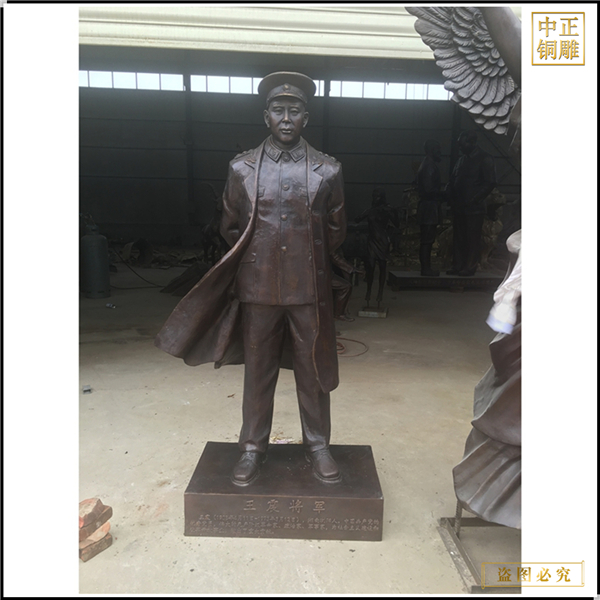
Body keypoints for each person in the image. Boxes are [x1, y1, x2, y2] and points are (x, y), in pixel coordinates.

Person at [154, 72, 346, 486]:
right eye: (278, 110)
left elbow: (336, 231)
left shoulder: (328, 170)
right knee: (258, 373)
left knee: (313, 372)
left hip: (308, 291)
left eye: (295, 111)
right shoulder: (241, 169)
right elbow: (230, 227)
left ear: (307, 118)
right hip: (258, 288)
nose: (286, 119)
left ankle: (318, 445)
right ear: (266, 116)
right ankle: (252, 448)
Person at [446, 131, 497, 276]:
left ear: (472, 142)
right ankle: (457, 265)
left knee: (472, 238)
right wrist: (449, 192)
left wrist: (475, 199)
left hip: (474, 208)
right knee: (458, 237)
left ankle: (469, 267)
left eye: (462, 144)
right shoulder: (461, 160)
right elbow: (453, 179)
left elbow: (490, 182)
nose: (460, 147)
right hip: (459, 205)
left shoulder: (485, 158)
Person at [355, 187, 399, 305]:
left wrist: (394, 212)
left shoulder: (387, 210)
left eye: (377, 196)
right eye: (373, 196)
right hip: (372, 241)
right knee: (370, 267)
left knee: (382, 267)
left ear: (382, 197)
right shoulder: (370, 211)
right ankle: (368, 291)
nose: (375, 198)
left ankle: (380, 293)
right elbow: (357, 219)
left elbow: (397, 224)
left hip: (383, 241)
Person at [415, 139, 444, 276]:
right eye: (438, 149)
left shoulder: (428, 165)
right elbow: (428, 190)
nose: (440, 152)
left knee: (428, 240)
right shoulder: (429, 166)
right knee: (427, 240)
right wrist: (445, 193)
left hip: (429, 207)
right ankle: (425, 269)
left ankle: (426, 268)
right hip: (428, 208)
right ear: (432, 150)